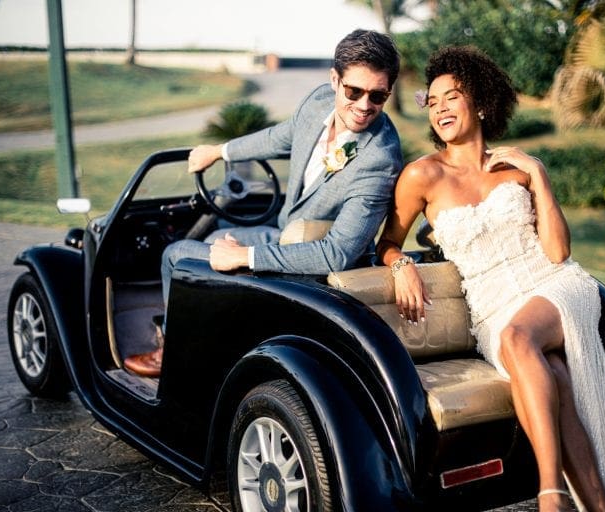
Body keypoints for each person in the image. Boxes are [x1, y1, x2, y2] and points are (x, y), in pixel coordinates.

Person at [375, 46, 605, 512]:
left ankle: (550, 495)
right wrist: (402, 266)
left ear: (480, 102)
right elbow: (388, 242)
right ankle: (598, 504)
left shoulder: (517, 168)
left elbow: (559, 252)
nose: (440, 108)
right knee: (555, 376)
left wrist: (538, 175)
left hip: (554, 287)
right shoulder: (422, 175)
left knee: (520, 339)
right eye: (433, 100)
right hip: (491, 307)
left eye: (452, 96)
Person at [124, 29, 403, 377]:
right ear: (335, 80)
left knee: (176, 255)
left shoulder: (380, 158)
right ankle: (209, 345)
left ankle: (172, 353)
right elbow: (282, 136)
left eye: (377, 96)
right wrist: (218, 151)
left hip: (320, 275)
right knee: (215, 240)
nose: (364, 106)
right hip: (285, 234)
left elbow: (336, 254)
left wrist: (245, 256)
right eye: (354, 91)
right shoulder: (319, 101)